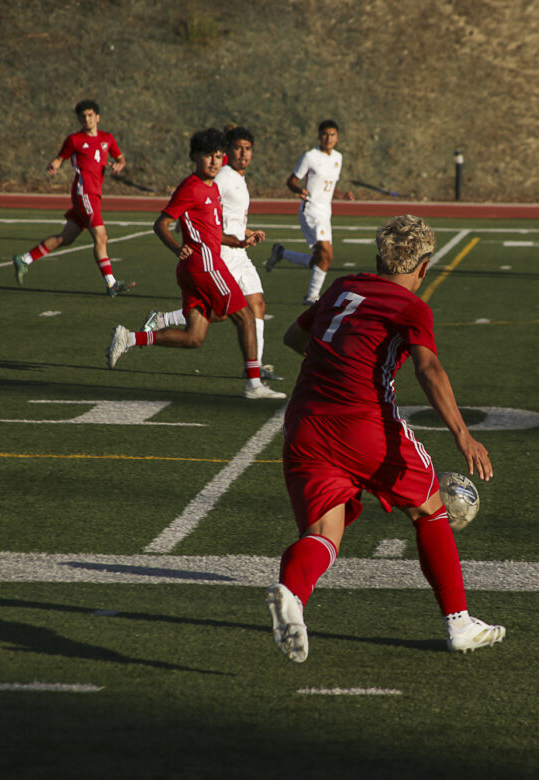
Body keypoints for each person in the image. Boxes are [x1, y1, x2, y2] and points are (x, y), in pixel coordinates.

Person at [265, 214, 505, 663]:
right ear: (425, 266)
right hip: (363, 422)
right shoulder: (412, 307)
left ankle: (292, 597)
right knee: (431, 505)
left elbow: (293, 337)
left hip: (304, 422)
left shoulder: (340, 287)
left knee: (324, 532)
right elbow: (428, 368)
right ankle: (459, 624)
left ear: (378, 258)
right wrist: (463, 436)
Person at [105, 128, 285, 400]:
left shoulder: (211, 187)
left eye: (217, 156)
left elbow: (211, 231)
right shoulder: (191, 187)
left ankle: (129, 338)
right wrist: (177, 247)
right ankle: (253, 384)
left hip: (199, 266)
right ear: (194, 157)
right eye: (207, 156)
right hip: (206, 265)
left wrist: (238, 242)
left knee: (195, 337)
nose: (213, 161)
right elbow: (161, 224)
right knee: (246, 316)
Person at [11, 99, 134, 296]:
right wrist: (55, 164)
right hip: (84, 193)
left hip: (94, 194)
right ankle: (111, 283)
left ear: (98, 117)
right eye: (83, 117)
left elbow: (120, 158)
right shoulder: (75, 140)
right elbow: (60, 158)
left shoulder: (107, 138)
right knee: (101, 237)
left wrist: (120, 164)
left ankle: (24, 259)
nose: (87, 119)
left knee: (65, 238)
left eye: (90, 115)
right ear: (79, 119)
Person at [265, 119, 355, 304]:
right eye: (325, 134)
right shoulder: (310, 156)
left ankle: (281, 253)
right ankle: (312, 296)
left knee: (321, 259)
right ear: (319, 136)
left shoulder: (338, 158)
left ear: (337, 138)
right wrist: (299, 191)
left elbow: (329, 186)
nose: (328, 138)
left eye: (332, 135)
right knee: (327, 254)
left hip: (325, 211)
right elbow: (291, 181)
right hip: (311, 210)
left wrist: (341, 194)